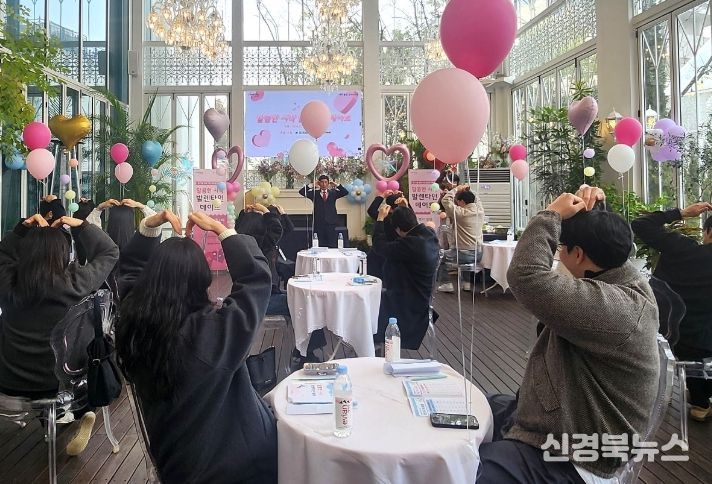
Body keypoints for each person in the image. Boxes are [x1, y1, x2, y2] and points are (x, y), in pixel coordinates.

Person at [477, 186, 660, 483]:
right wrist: (597, 209)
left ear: (578, 254)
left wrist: (549, 215)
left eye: (561, 247)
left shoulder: (615, 308)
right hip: (568, 422)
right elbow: (605, 240)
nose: (558, 253)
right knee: (474, 408)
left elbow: (525, 275)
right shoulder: (621, 277)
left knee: (466, 469)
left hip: (575, 458)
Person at [116, 210, 277, 484]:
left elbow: (129, 273)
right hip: (237, 470)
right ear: (202, 280)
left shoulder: (134, 328)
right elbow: (256, 279)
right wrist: (222, 230)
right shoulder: (212, 334)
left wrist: (147, 230)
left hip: (176, 466)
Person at [0, 213, 119, 456]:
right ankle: (78, 411)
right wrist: (82, 226)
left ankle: (57, 418)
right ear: (64, 254)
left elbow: (2, 254)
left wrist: (21, 230)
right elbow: (109, 251)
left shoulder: (7, 283)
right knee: (77, 347)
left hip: (9, 382)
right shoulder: (74, 282)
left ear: (24, 253)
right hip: (60, 384)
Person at [632, 201, 712, 421]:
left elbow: (640, 224)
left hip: (664, 340)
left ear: (707, 232)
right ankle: (701, 400)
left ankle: (699, 401)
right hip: (702, 345)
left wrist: (682, 212)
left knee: (693, 335)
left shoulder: (680, 248)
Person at [372, 205, 439, 349]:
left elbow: (379, 247)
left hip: (408, 303)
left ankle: (374, 341)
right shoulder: (429, 235)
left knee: (370, 300)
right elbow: (428, 226)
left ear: (398, 229)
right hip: (422, 297)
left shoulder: (410, 244)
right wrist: (405, 206)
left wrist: (380, 219)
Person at [437, 185, 485, 293]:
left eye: (458, 202)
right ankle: (466, 283)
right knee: (461, 251)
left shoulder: (460, 213)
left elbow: (445, 200)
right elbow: (477, 198)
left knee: (440, 255)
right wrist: (468, 189)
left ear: (462, 201)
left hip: (463, 254)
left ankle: (446, 284)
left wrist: (457, 189)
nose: (457, 204)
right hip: (479, 253)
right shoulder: (480, 210)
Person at [298, 174, 348, 248]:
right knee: (319, 244)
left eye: (325, 182)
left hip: (331, 223)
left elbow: (345, 192)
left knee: (331, 244)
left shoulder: (333, 193)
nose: (324, 184)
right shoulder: (314, 194)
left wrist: (336, 184)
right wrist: (312, 184)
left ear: (328, 183)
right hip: (318, 223)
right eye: (322, 182)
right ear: (319, 183)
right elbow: (301, 192)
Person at [366, 190, 405, 281]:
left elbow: (371, 210)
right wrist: (403, 200)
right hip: (396, 255)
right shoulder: (403, 219)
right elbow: (411, 215)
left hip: (378, 254)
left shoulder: (384, 217)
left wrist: (382, 196)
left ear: (388, 206)